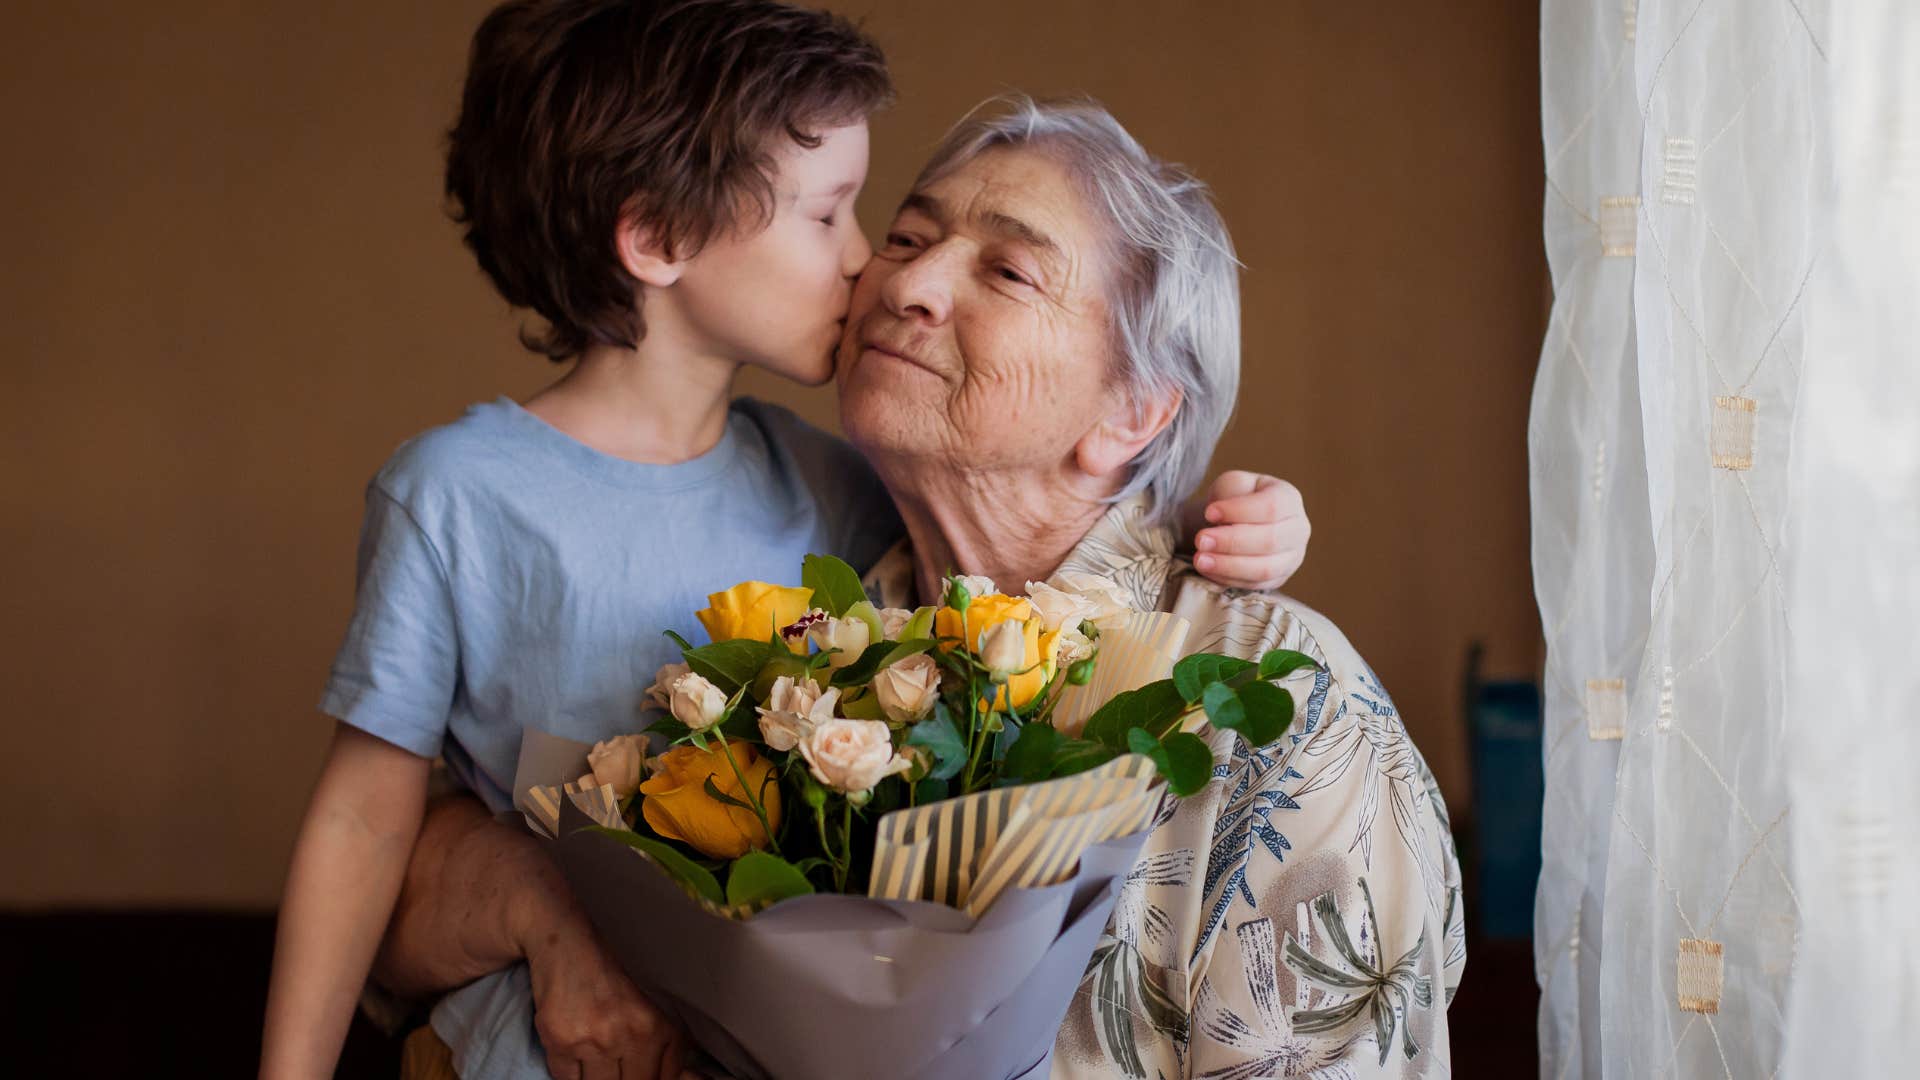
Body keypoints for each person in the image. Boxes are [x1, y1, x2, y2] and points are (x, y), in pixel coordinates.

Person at [258, 4, 1310, 1078]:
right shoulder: (454, 497)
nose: (872, 268)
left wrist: (1218, 520)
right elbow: (362, 827)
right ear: (658, 239)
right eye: (831, 218)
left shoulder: (829, 486)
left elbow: (1050, 538)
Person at [837, 97, 1466, 1078]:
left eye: (1007, 270)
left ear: (1133, 411)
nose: (907, 281)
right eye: (906, 236)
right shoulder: (809, 663)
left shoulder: (1279, 698)